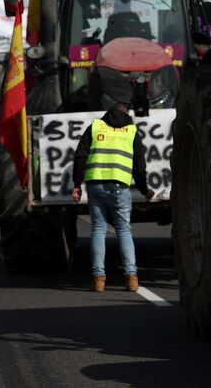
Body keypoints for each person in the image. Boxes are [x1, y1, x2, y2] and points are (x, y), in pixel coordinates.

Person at [72, 102, 153, 292]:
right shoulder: (131, 132)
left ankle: (98, 279)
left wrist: (77, 184)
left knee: (98, 230)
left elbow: (80, 155)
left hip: (95, 185)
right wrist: (144, 190)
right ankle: (131, 278)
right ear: (127, 115)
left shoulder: (95, 127)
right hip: (119, 187)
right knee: (123, 230)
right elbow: (139, 166)